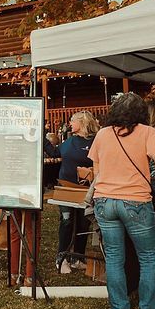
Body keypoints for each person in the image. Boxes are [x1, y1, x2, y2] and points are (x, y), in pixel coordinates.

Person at [90, 93, 155, 309]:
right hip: (135, 200)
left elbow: (96, 170)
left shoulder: (103, 134)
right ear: (141, 113)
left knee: (114, 259)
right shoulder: (147, 132)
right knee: (148, 259)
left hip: (104, 201)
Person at [56, 111, 100, 273]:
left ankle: (78, 257)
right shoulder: (69, 141)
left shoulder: (96, 140)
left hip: (86, 190)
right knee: (67, 222)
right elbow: (55, 152)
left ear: (82, 123)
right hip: (66, 189)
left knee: (83, 222)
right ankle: (62, 259)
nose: (70, 123)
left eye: (72, 121)